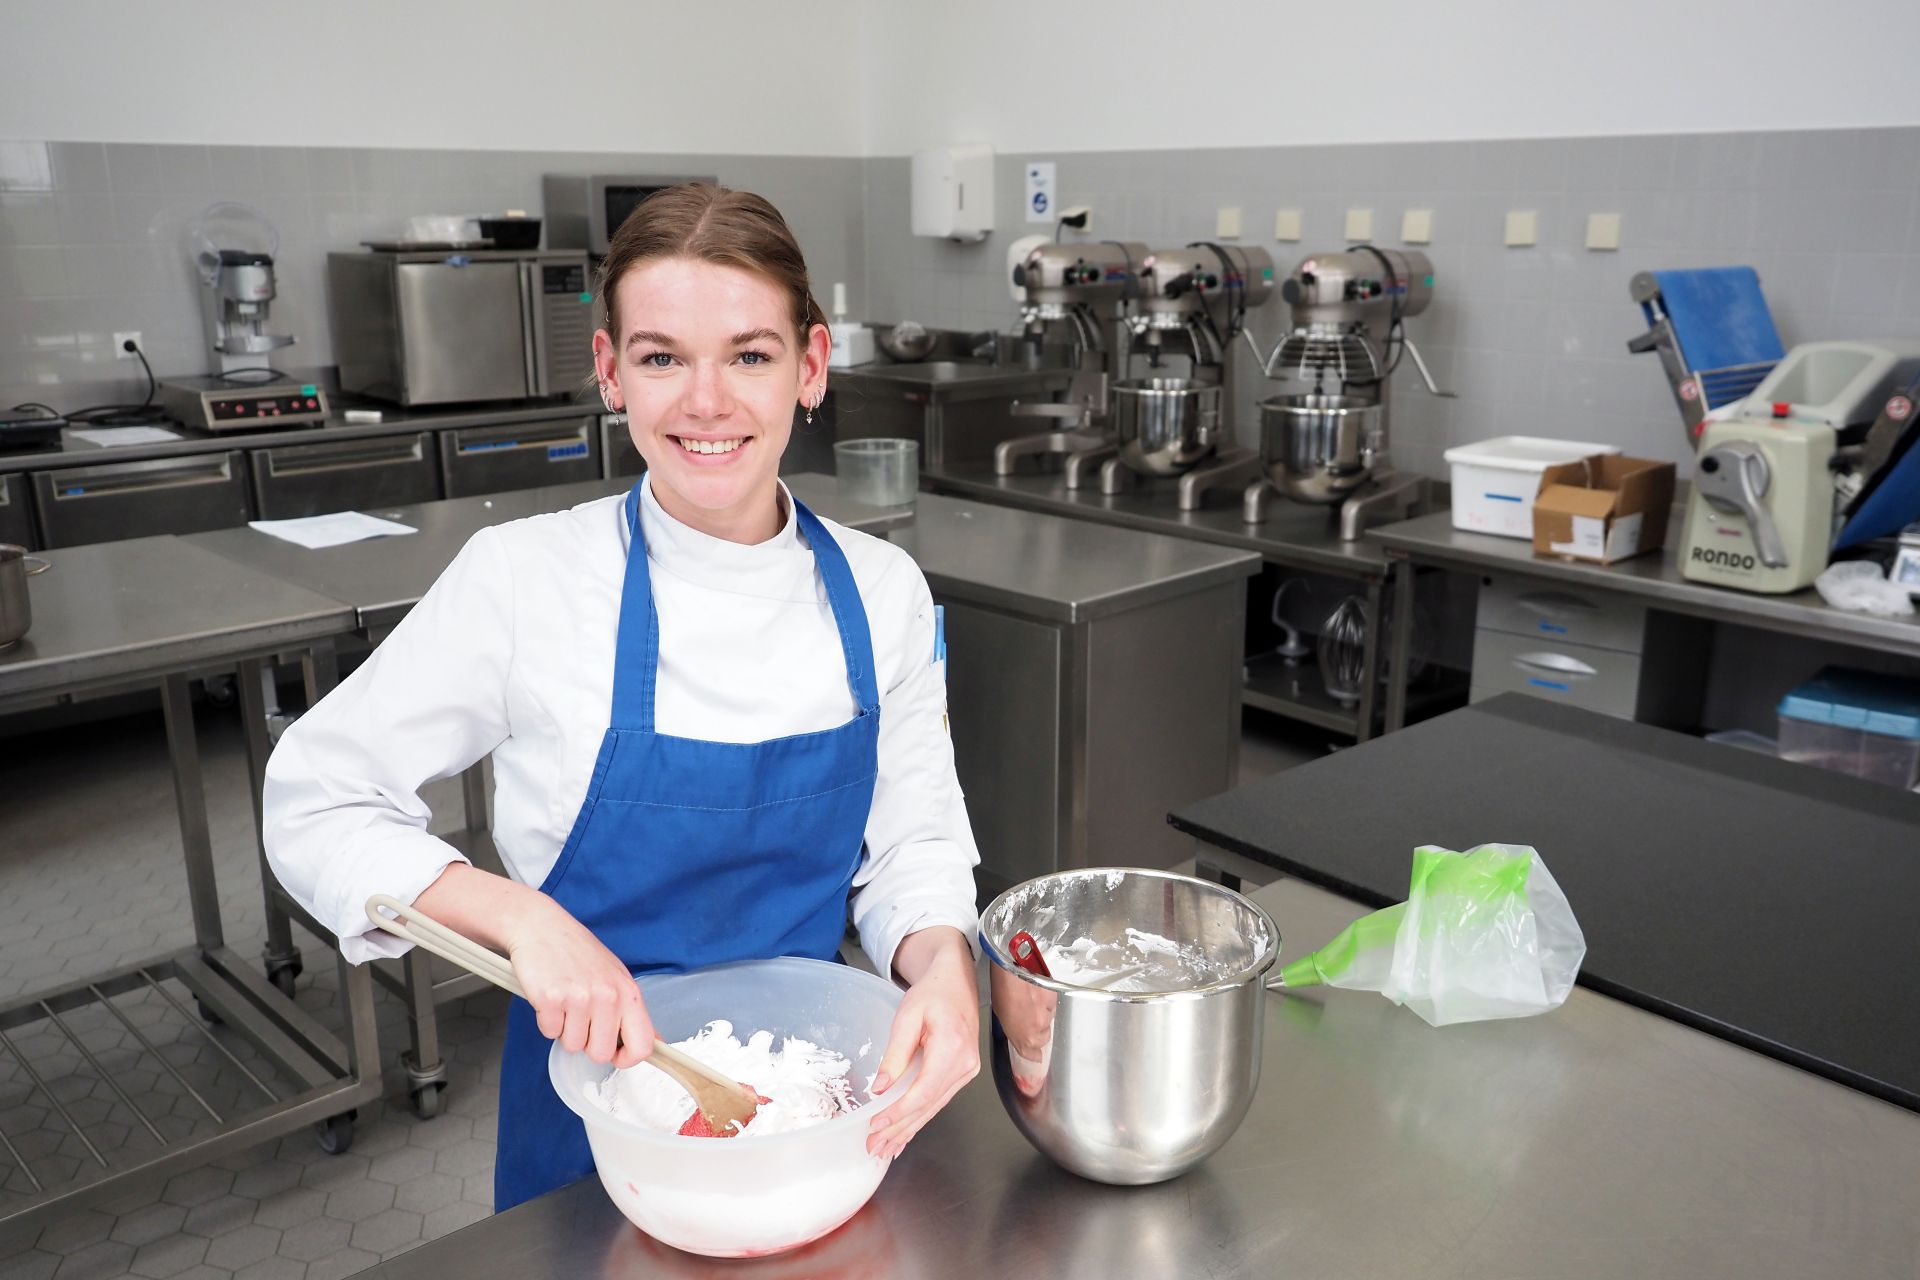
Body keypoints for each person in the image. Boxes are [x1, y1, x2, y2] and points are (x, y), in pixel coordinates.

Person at [264, 183, 982, 1211]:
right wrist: (518, 918)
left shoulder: (881, 592)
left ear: (811, 367)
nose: (706, 401)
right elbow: (317, 794)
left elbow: (911, 839)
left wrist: (942, 961)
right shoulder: (526, 579)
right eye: (660, 357)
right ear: (610, 372)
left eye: (749, 353)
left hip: (814, 1102)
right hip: (593, 1118)